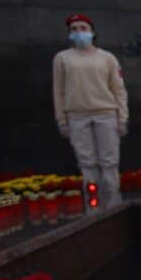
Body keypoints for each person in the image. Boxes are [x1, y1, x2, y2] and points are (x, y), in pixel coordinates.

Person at [52, 13, 128, 208]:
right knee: (87, 165)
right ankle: (93, 208)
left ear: (92, 32)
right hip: (77, 117)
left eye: (83, 28)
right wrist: (62, 120)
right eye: (74, 29)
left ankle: (113, 206)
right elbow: (58, 91)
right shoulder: (62, 58)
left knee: (109, 163)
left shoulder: (107, 58)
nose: (79, 33)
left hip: (106, 114)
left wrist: (122, 118)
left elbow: (118, 89)